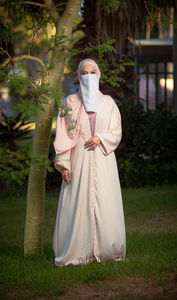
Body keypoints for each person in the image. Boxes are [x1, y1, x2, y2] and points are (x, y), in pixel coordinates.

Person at [53, 58, 126, 266]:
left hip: (103, 159)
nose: (88, 76)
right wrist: (64, 163)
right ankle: (79, 251)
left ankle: (107, 249)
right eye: (83, 73)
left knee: (105, 201)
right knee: (79, 203)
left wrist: (100, 138)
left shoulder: (108, 103)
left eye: (92, 72)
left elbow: (116, 131)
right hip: (79, 160)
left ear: (98, 75)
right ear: (78, 76)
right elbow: (63, 134)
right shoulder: (70, 103)